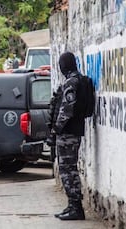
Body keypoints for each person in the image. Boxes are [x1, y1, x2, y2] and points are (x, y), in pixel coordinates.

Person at [52, 51, 86, 221]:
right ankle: (72, 205)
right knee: (67, 168)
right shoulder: (74, 80)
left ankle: (76, 208)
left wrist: (56, 129)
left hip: (68, 133)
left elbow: (67, 109)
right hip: (71, 132)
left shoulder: (72, 82)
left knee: (68, 169)